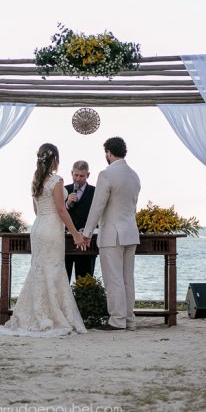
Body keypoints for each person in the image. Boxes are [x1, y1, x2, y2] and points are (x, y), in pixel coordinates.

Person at [0, 143, 87, 337]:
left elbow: (36, 210)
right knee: (53, 269)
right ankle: (55, 315)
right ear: (56, 160)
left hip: (38, 227)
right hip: (52, 229)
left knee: (39, 270)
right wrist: (76, 234)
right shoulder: (57, 180)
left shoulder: (36, 179)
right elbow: (61, 210)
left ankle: (37, 313)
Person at [80, 136, 142, 331]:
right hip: (131, 232)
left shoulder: (106, 174)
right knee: (127, 279)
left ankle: (116, 320)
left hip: (112, 235)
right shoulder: (134, 175)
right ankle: (129, 319)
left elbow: (97, 206)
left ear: (108, 152)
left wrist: (87, 232)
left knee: (113, 279)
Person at [64, 160, 96, 282]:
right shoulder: (64, 190)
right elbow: (57, 212)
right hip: (66, 241)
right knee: (63, 281)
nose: (78, 179)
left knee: (85, 281)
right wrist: (67, 204)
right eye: (75, 175)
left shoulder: (95, 192)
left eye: (81, 176)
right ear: (71, 173)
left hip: (86, 242)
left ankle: (83, 300)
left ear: (88, 175)